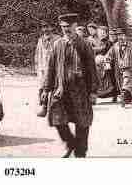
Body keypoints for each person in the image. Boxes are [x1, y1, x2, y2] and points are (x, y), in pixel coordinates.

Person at [40, 13, 99, 158]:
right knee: (56, 118)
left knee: (82, 122)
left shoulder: (84, 45)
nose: (66, 29)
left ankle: (80, 152)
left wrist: (93, 91)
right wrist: (46, 88)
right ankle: (70, 142)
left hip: (80, 90)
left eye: (69, 26)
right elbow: (50, 68)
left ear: (75, 26)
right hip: (61, 89)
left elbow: (92, 68)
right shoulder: (57, 44)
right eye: (63, 27)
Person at [106, 30, 132, 106]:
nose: (121, 37)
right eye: (119, 36)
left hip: (129, 69)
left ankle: (123, 99)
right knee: (122, 86)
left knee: (126, 84)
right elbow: (108, 55)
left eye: (122, 35)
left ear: (126, 36)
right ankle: (128, 97)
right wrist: (108, 62)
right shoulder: (115, 46)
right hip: (118, 70)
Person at [35, 23, 60, 117]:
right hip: (43, 67)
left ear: (52, 27)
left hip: (54, 67)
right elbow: (38, 53)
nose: (46, 29)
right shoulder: (40, 40)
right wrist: (37, 65)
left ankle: (55, 109)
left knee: (54, 87)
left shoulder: (57, 39)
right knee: (42, 87)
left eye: (48, 27)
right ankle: (44, 107)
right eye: (44, 27)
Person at [94, 26, 116, 103]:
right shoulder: (98, 41)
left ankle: (113, 94)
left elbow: (104, 49)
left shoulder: (108, 42)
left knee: (110, 76)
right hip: (99, 64)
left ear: (106, 33)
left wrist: (94, 49)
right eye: (100, 32)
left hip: (107, 62)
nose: (101, 34)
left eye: (103, 32)